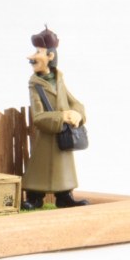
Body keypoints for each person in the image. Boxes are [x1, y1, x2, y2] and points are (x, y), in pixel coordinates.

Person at [21, 27, 89, 210]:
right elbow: (38, 117)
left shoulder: (59, 80)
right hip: (47, 137)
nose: (31, 57)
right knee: (40, 168)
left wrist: (77, 114)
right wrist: (62, 116)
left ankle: (65, 197)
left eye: (38, 52)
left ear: (50, 56)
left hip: (62, 138)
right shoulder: (35, 85)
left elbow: (76, 103)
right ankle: (35, 197)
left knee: (64, 169)